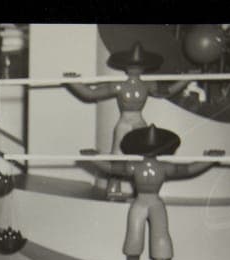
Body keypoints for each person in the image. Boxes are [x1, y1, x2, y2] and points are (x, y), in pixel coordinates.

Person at [81, 125, 223, 260]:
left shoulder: (164, 167)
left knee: (161, 237)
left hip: (154, 202)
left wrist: (209, 160)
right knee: (134, 235)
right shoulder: (134, 167)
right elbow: (111, 167)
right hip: (140, 202)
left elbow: (189, 169)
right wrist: (94, 158)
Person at [62, 41, 190, 198]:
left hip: (138, 121)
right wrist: (74, 83)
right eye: (132, 64)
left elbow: (167, 91)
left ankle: (140, 191)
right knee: (116, 155)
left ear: (145, 66)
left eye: (139, 65)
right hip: (124, 122)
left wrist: (186, 79)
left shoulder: (148, 85)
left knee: (144, 154)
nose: (135, 68)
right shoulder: (119, 86)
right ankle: (113, 186)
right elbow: (90, 93)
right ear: (125, 65)